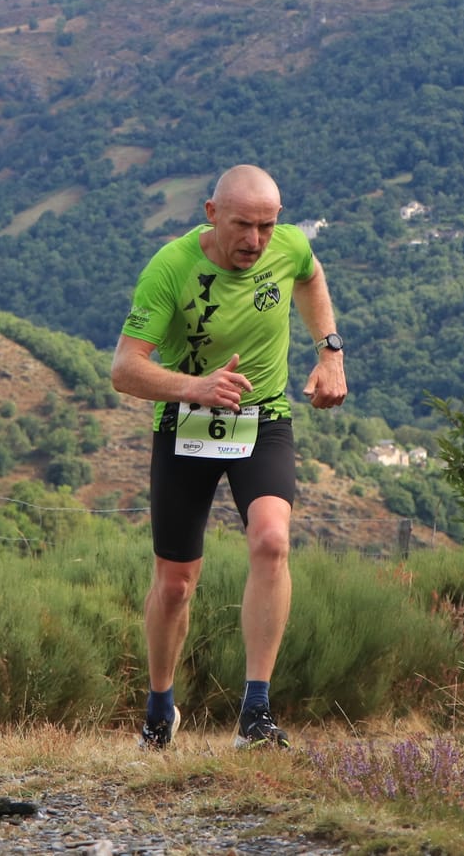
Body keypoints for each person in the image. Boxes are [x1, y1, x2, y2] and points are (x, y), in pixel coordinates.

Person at [110, 164, 347, 750]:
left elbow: (311, 279)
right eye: (243, 225)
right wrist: (195, 387)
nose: (256, 241)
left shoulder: (287, 246)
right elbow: (124, 369)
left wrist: (330, 353)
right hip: (185, 420)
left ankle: (256, 712)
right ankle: (160, 708)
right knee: (175, 585)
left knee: (272, 540)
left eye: (267, 226)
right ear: (211, 214)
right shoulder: (170, 268)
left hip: (262, 416)